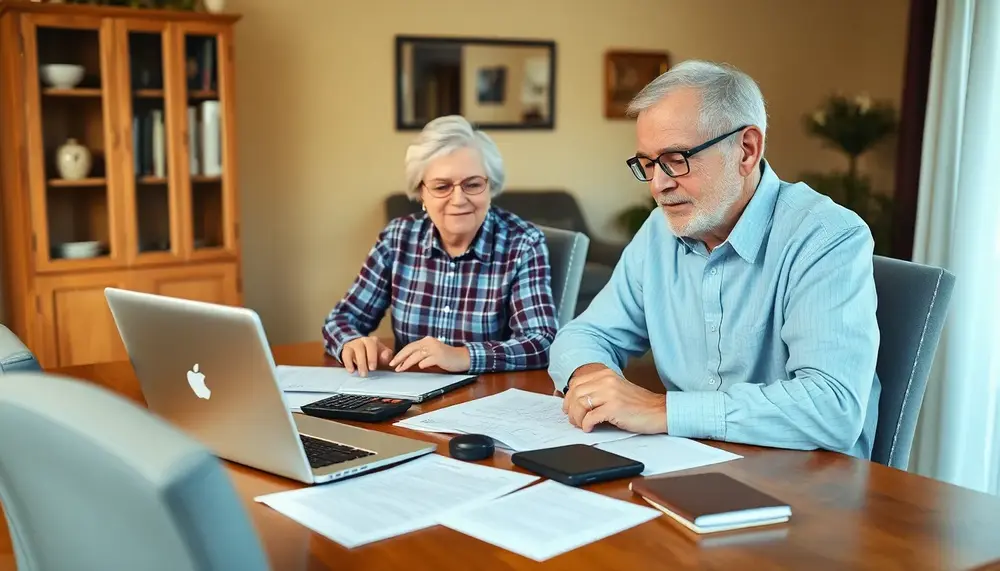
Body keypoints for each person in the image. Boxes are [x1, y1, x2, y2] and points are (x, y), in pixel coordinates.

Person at [549, 60, 881, 458]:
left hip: (806, 482)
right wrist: (592, 382)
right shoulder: (659, 232)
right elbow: (585, 334)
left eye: (676, 158)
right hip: (690, 464)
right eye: (648, 163)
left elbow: (833, 409)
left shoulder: (826, 237)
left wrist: (661, 409)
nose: (658, 184)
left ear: (746, 149)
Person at [323, 115, 558, 376]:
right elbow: (341, 320)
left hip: (486, 401)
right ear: (421, 192)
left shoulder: (523, 244)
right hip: (406, 400)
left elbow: (542, 341)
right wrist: (352, 343)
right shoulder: (397, 239)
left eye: (473, 184)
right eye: (442, 186)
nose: (458, 199)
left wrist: (461, 356)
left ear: (490, 187)